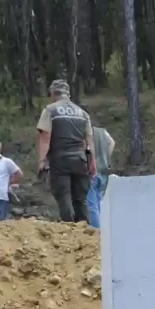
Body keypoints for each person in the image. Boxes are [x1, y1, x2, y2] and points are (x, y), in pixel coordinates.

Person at [36, 79, 95, 223]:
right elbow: (89, 142)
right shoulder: (82, 113)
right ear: (68, 94)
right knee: (80, 199)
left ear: (52, 93)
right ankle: (85, 232)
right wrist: (93, 163)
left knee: (64, 196)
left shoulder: (50, 110)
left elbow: (45, 137)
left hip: (60, 159)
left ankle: (69, 231)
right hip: (80, 160)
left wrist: (42, 161)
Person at [85, 127, 116, 228]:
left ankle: (97, 229)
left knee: (91, 203)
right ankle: (103, 227)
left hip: (92, 170)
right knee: (99, 201)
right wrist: (106, 157)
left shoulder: (86, 133)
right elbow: (112, 142)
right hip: (103, 170)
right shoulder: (103, 132)